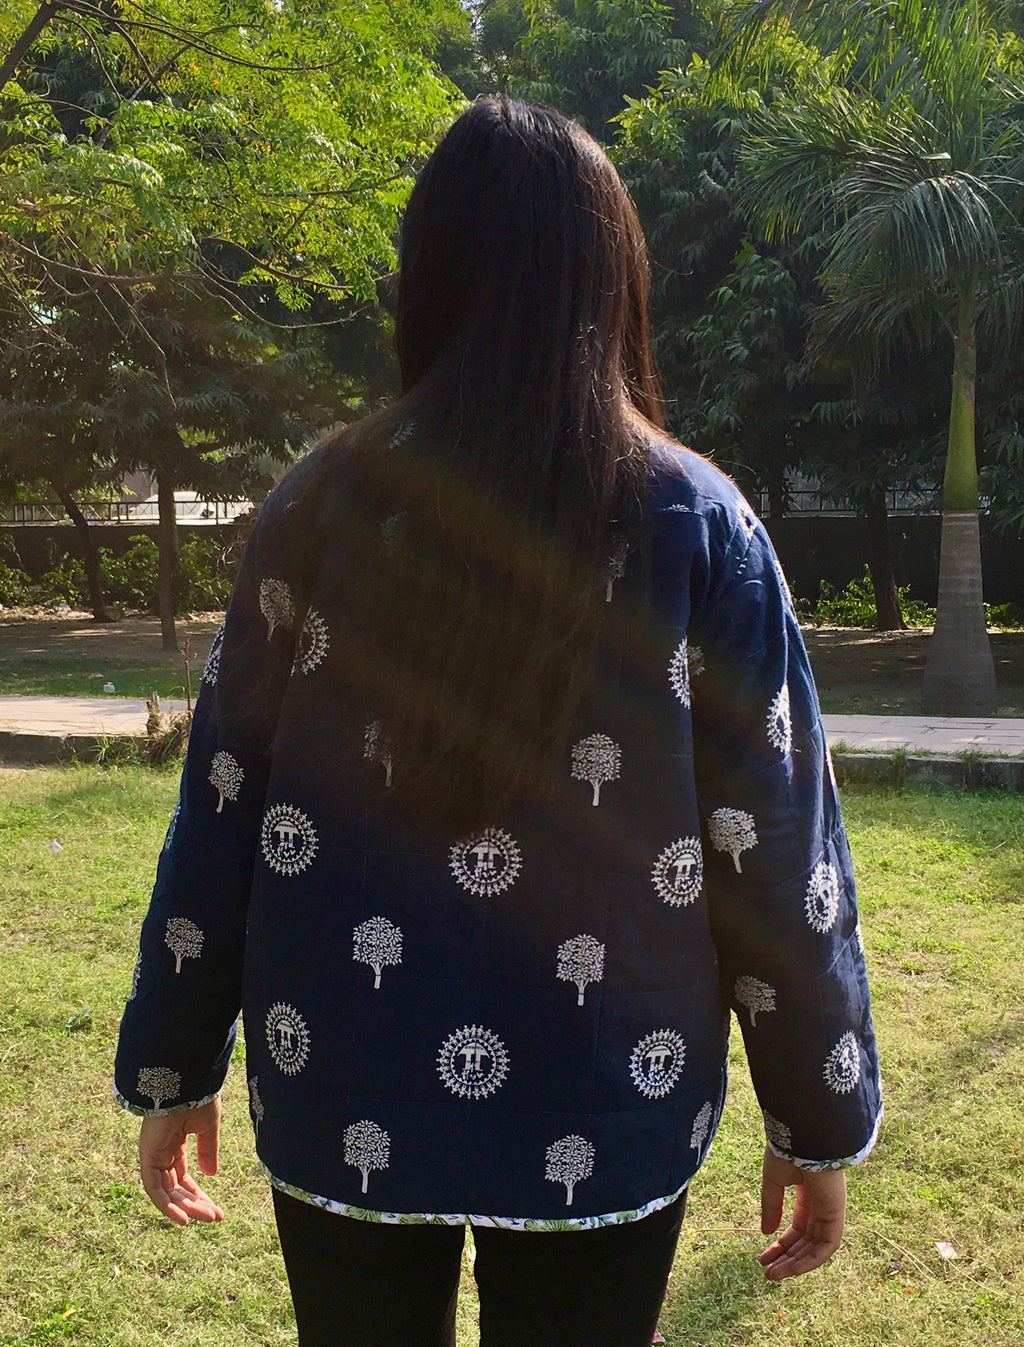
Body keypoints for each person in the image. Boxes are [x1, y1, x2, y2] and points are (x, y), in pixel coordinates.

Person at [114, 96, 881, 1347]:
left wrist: (173, 1064)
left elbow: (219, 810)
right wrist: (817, 1119)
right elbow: (773, 844)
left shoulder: (318, 504)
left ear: (430, 274)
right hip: (607, 1090)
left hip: (343, 1075)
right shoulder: (697, 523)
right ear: (612, 276)